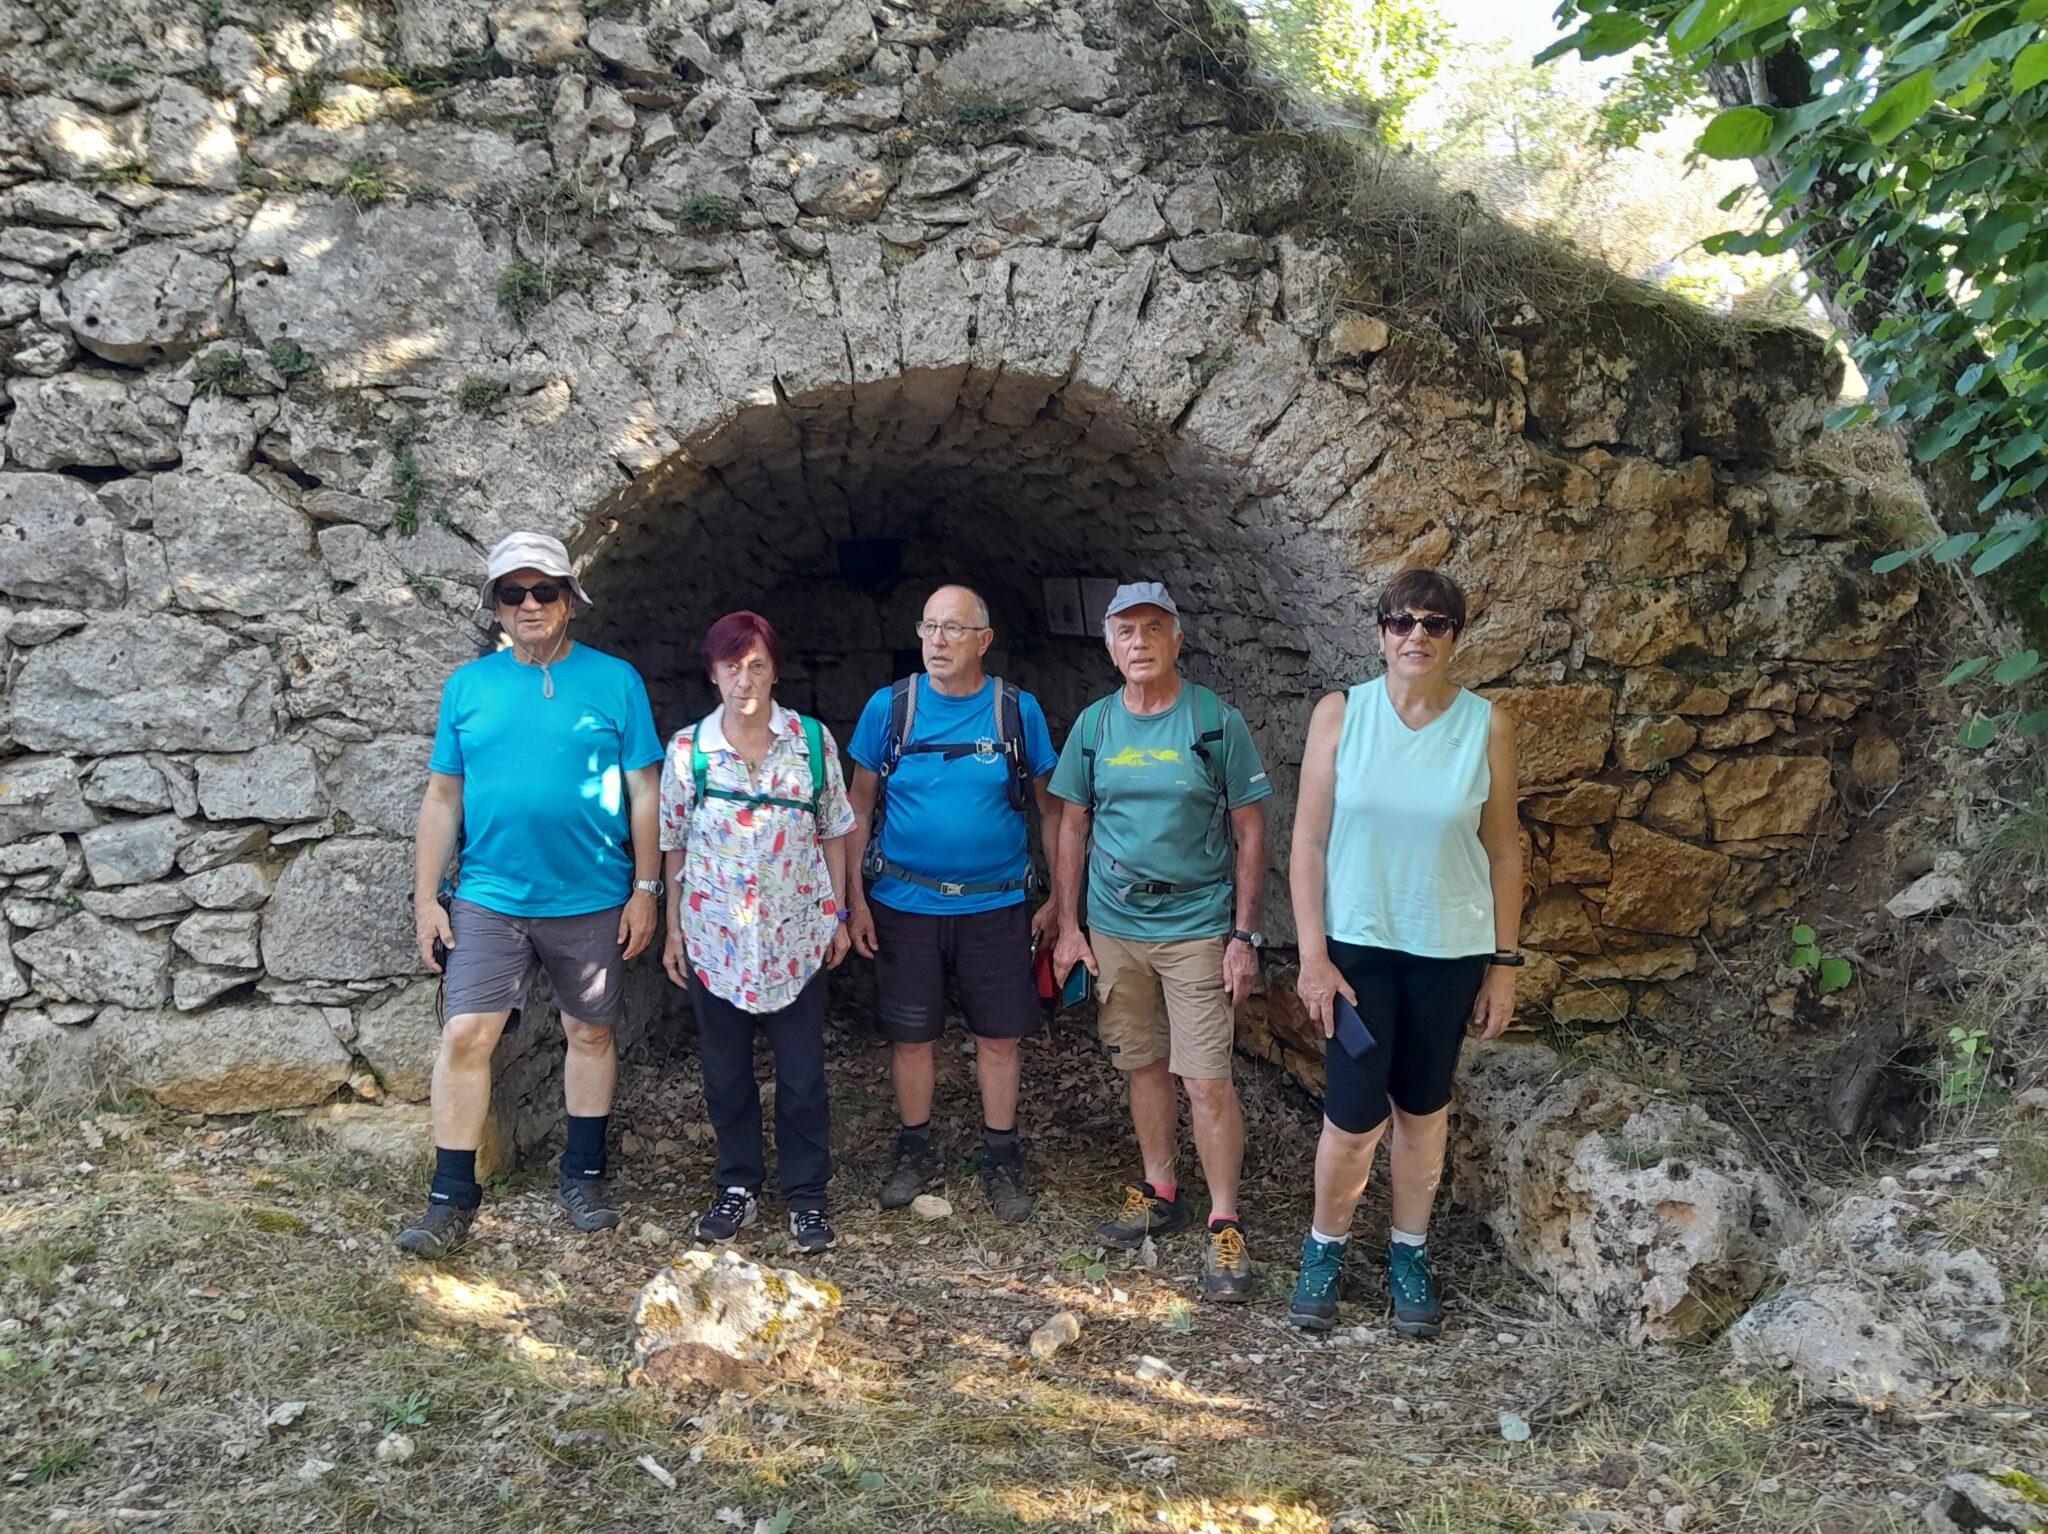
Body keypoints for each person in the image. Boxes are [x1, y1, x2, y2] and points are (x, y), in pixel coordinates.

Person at [397, 531, 665, 1259]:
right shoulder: (469, 686)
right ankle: (451, 1198)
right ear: (495, 607)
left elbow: (646, 790)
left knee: (590, 1031)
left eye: (544, 590)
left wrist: (645, 888)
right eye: (512, 593)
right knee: (466, 1035)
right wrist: (427, 900)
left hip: (592, 891)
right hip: (490, 893)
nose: (529, 605)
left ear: (569, 601)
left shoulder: (615, 681)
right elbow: (442, 797)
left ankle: (584, 1176)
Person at [1285, 568, 1522, 1338]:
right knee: (1353, 1116)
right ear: (1380, 633)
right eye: (1401, 621)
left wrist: (1504, 965)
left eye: (1435, 623)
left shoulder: (1485, 726)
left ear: (1456, 636)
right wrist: (1313, 957)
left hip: (1446, 952)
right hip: (1356, 952)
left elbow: (1504, 851)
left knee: (1422, 1109)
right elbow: (1308, 841)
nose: (1416, 635)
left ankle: (1409, 1254)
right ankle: (1324, 1249)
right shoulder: (1341, 714)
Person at [1050, 582, 1272, 1302]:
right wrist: (1069, 926)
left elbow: (1249, 831)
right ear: (1109, 645)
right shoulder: (1094, 726)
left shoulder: (1214, 722)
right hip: (1117, 927)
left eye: (1153, 629)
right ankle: (1160, 1189)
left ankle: (1224, 1220)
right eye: (1125, 631)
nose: (1139, 643)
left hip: (1197, 927)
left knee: (1205, 1079)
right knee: (1142, 1064)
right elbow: (1072, 825)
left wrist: (1243, 935)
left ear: (1177, 639)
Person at [843, 585, 1063, 1223]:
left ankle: (1002, 1156)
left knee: (999, 1037)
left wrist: (1059, 899)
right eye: (929, 627)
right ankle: (914, 1148)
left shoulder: (1015, 711)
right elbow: (857, 808)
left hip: (995, 905)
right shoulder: (890, 709)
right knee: (911, 1036)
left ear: (983, 640)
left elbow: (1052, 812)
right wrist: (853, 900)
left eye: (953, 629)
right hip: (904, 904)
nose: (937, 641)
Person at [660, 611, 857, 1254]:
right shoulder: (688, 751)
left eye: (757, 666)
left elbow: (834, 831)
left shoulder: (811, 742)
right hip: (715, 938)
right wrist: (673, 929)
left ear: (774, 671)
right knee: (725, 1074)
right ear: (713, 673)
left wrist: (838, 915)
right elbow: (673, 841)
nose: (744, 680)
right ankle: (737, 1184)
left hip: (794, 936)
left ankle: (807, 1195)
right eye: (731, 667)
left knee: (802, 1076)